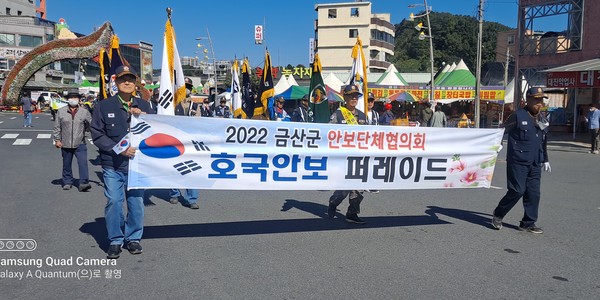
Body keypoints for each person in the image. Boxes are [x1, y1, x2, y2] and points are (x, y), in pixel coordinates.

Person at [90, 65, 153, 259]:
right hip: (112, 165)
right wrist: (119, 149)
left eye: (131, 79)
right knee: (115, 202)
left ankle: (133, 238)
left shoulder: (145, 105)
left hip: (137, 166)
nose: (127, 83)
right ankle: (115, 240)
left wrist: (147, 119)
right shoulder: (103, 106)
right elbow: (97, 134)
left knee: (136, 204)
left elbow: (157, 132)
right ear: (116, 82)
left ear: (135, 83)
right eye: (123, 79)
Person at [491, 87, 551, 234]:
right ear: (528, 100)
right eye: (536, 99)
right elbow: (501, 132)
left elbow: (543, 140)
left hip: (535, 161)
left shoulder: (542, 118)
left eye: (541, 100)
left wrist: (545, 159)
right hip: (518, 160)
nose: (539, 103)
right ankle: (498, 214)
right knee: (517, 190)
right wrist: (496, 146)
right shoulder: (518, 116)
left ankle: (528, 223)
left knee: (534, 193)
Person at [328, 83, 368, 224]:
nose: (354, 98)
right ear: (345, 97)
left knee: (359, 187)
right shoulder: (338, 115)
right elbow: (329, 134)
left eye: (356, 96)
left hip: (359, 158)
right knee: (344, 189)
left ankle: (352, 213)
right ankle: (333, 203)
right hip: (343, 158)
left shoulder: (363, 116)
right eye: (351, 95)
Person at [53, 88, 92, 192]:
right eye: (71, 97)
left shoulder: (84, 112)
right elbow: (57, 127)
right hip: (65, 142)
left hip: (80, 142)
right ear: (67, 99)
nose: (73, 99)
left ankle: (83, 182)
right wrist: (57, 140)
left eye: (75, 97)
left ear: (79, 99)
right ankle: (67, 182)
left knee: (83, 163)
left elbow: (91, 125)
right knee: (66, 163)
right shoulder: (61, 111)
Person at [170, 77, 200, 209]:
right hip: (175, 141)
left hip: (190, 143)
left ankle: (191, 198)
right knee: (173, 169)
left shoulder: (195, 106)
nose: (186, 89)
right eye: (184, 87)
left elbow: (200, 123)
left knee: (191, 170)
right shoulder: (172, 104)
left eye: (188, 87)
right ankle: (174, 194)